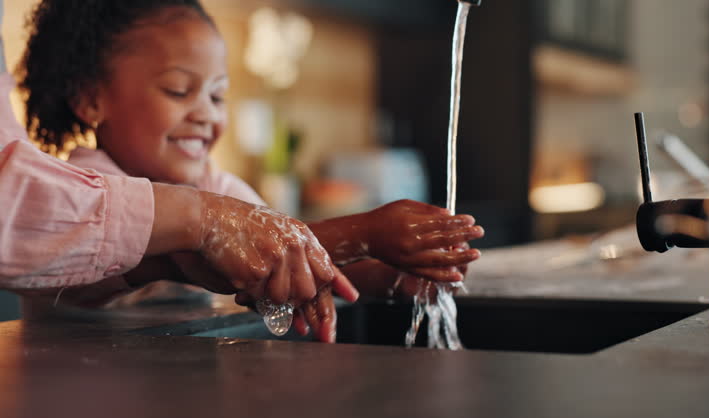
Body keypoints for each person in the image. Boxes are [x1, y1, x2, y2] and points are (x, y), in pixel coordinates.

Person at [15, 0, 485, 341]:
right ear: (90, 98)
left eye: (217, 96)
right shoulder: (88, 188)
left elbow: (288, 260)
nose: (205, 114)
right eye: (180, 91)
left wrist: (390, 279)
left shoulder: (215, 188)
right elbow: (193, 254)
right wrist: (366, 230)